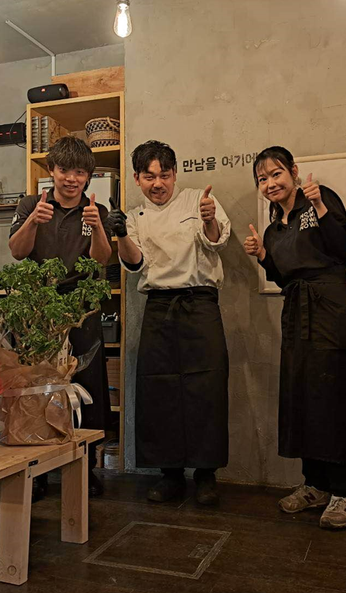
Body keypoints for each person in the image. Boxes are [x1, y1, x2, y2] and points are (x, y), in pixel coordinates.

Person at [106, 140, 230, 505]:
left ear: (175, 174)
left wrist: (209, 219)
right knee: (159, 390)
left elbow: (217, 241)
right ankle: (170, 474)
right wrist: (121, 234)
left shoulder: (199, 200)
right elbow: (135, 263)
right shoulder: (135, 217)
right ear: (137, 179)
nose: (157, 183)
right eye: (149, 177)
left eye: (164, 175)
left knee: (207, 387)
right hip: (159, 306)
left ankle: (206, 475)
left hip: (200, 303)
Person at [243, 146, 346, 529]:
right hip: (296, 312)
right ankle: (315, 485)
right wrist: (263, 255)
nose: (270, 183)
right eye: (262, 179)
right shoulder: (274, 228)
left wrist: (321, 208)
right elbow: (283, 278)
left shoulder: (319, 200)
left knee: (334, 396)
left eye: (276, 174)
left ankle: (344, 492)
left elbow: (342, 249)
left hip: (330, 309)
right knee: (303, 397)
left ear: (293, 172)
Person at [8, 135, 112, 498]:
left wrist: (97, 226)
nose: (71, 178)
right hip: (39, 306)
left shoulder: (96, 209)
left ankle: (86, 467)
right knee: (35, 385)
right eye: (64, 170)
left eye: (80, 172)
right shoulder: (30, 204)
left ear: (88, 176)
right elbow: (17, 252)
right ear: (51, 170)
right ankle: (35, 468)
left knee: (88, 383)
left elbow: (102, 259)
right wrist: (33, 222)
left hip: (81, 306)